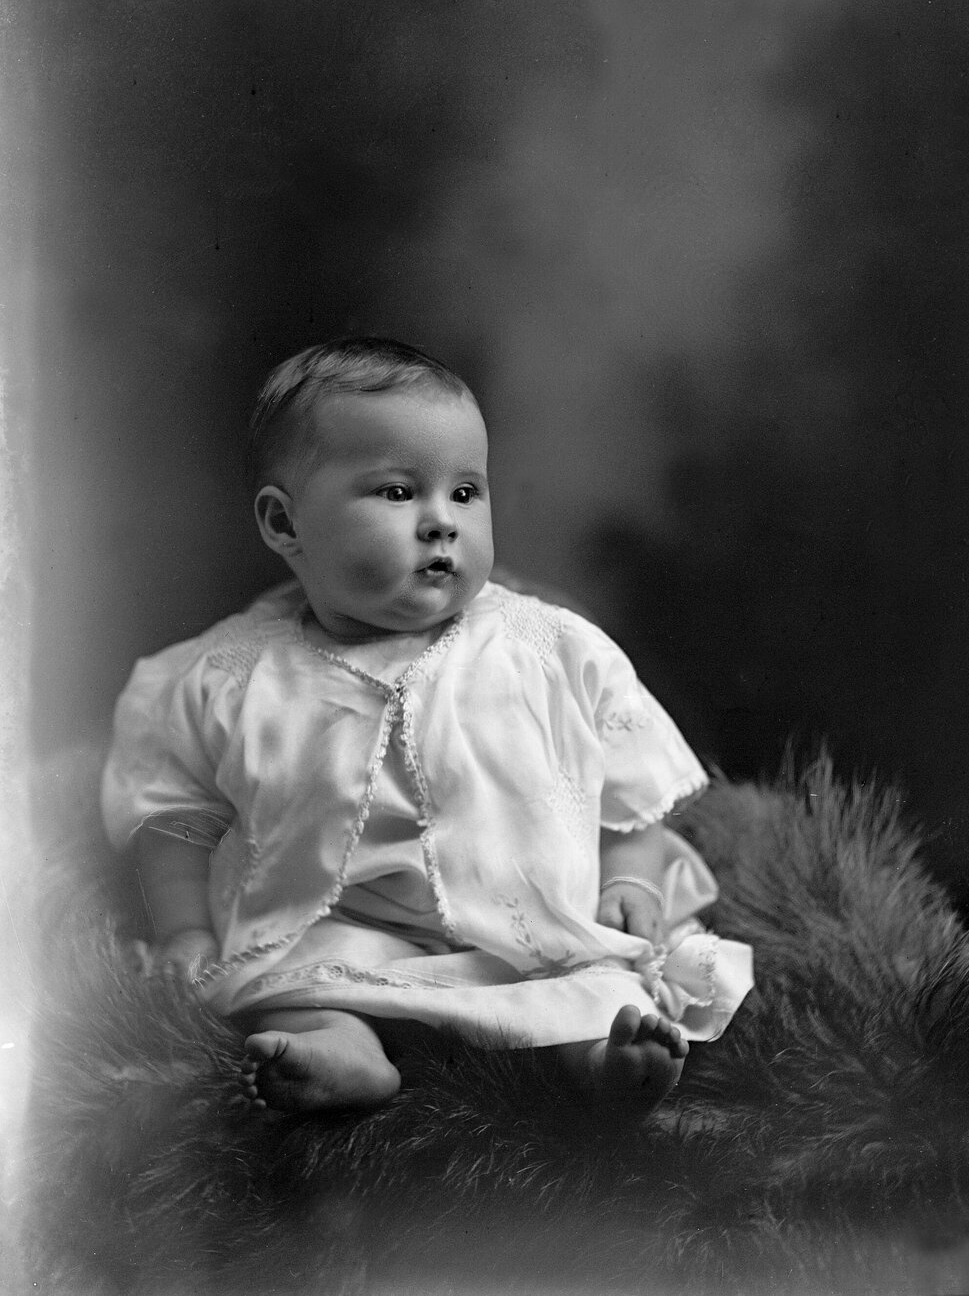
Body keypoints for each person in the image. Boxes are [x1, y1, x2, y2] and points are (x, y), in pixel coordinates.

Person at [102, 337, 753, 1117]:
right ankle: (343, 1047)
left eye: (467, 493)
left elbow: (630, 792)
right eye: (399, 492)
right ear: (285, 523)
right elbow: (177, 817)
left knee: (597, 984)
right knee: (278, 985)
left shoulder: (546, 647)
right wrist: (184, 934)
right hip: (340, 941)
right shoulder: (230, 675)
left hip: (530, 942)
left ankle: (601, 1060)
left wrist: (631, 877)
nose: (441, 522)